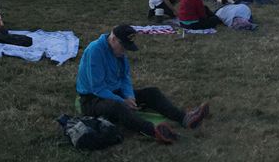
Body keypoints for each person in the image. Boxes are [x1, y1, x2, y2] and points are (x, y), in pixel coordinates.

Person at [75, 24, 210, 144]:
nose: (125, 51)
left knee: (152, 93)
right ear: (113, 39)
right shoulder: (95, 51)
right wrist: (122, 101)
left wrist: (129, 96)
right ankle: (154, 131)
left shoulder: (119, 51)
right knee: (117, 107)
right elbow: (97, 88)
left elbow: (124, 77)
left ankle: (185, 118)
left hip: (114, 92)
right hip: (92, 99)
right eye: (123, 47)